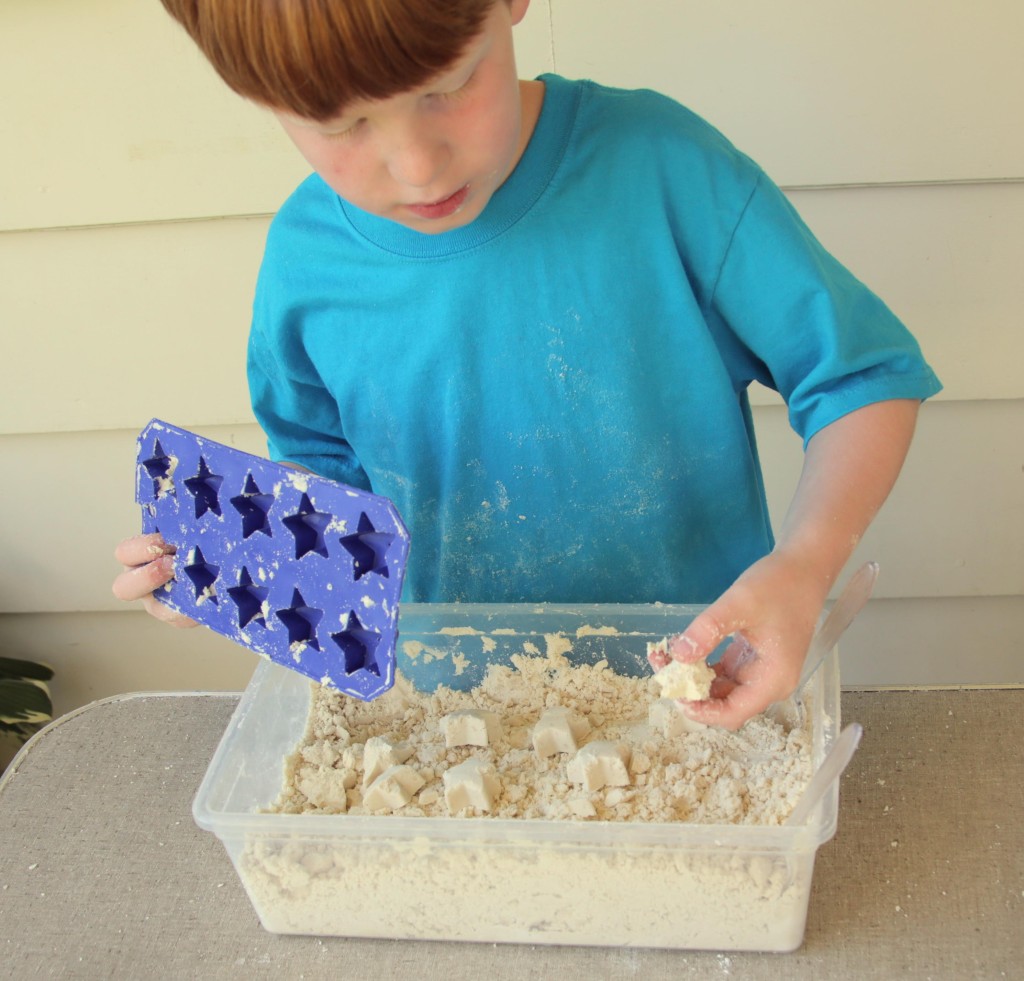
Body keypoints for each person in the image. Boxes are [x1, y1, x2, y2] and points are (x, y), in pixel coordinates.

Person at [112, 0, 941, 729]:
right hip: (450, 722)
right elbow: (332, 516)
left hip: (704, 699)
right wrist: (235, 566)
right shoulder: (304, 268)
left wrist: (803, 564)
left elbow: (862, 380)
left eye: (447, 85)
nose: (418, 165)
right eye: (342, 125)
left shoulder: (665, 171)